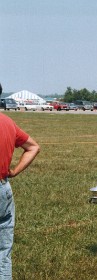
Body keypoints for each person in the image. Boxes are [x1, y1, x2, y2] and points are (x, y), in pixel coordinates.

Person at [0, 82, 40, 279]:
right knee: (3, 251)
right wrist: (14, 171)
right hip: (3, 188)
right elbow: (33, 147)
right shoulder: (8, 122)